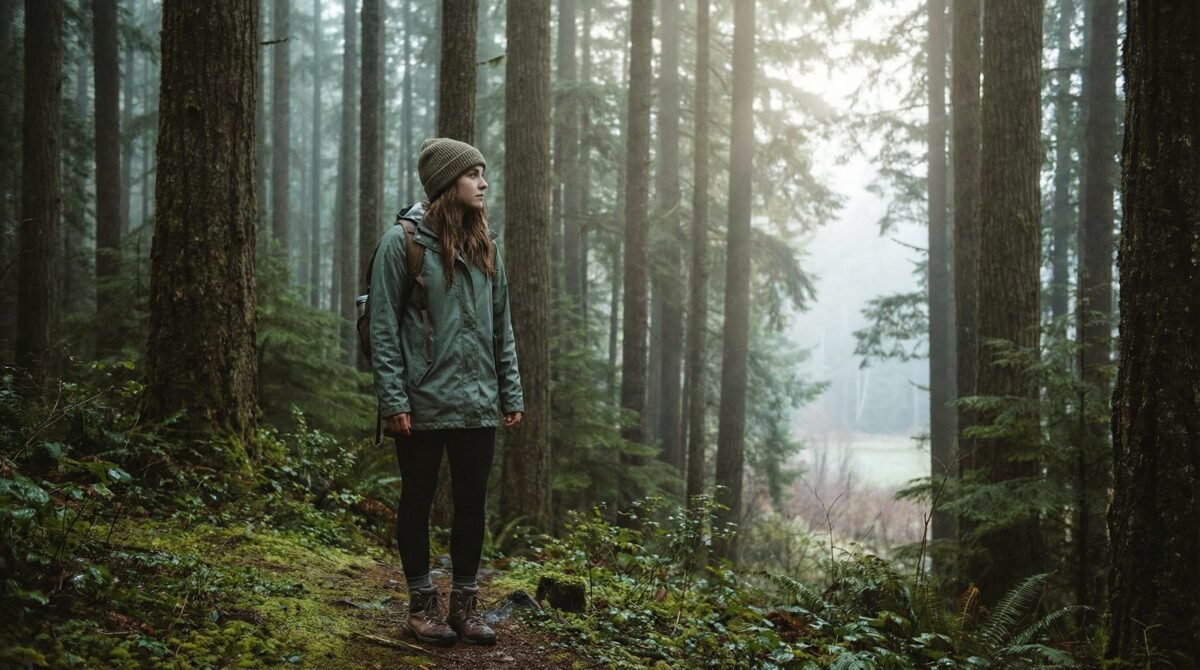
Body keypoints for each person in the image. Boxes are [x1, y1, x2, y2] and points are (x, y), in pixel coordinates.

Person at [369, 137, 523, 647]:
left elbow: (503, 325)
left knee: (472, 504)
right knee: (417, 500)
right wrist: (393, 400)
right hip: (420, 403)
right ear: (445, 185)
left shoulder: (486, 245)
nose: (483, 183)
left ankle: (464, 605)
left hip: (478, 402)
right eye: (472, 174)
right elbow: (383, 330)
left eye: (483, 173)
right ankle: (420, 605)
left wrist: (510, 393)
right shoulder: (403, 243)